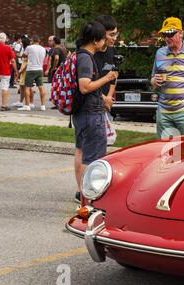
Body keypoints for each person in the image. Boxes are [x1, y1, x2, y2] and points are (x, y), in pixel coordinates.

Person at [72, 21, 119, 203]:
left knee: (87, 154)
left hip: (84, 113)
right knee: (92, 158)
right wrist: (106, 78)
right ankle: (88, 199)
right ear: (95, 40)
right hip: (90, 113)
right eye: (103, 38)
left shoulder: (80, 55)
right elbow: (85, 87)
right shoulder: (86, 58)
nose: (105, 43)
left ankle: (87, 196)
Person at [94, 15, 119, 113]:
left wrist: (109, 97)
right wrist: (103, 98)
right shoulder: (90, 53)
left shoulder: (113, 50)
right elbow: (87, 83)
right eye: (112, 34)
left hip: (107, 103)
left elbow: (115, 75)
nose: (115, 38)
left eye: (116, 34)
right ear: (101, 34)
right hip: (92, 105)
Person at [0, 33, 18, 111]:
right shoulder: (8, 48)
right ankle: (3, 106)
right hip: (5, 71)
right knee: (5, 87)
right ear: (5, 39)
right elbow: (13, 61)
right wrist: (16, 71)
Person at [18, 35, 47, 111]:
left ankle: (27, 105)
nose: (30, 42)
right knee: (41, 87)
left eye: (31, 41)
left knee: (27, 87)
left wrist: (26, 56)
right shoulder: (43, 49)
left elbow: (23, 55)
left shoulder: (29, 48)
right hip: (40, 69)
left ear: (33, 40)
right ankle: (43, 105)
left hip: (31, 69)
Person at [12, 37, 35, 108]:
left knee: (28, 87)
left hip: (26, 71)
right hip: (24, 70)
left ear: (24, 43)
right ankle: (20, 102)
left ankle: (30, 103)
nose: (20, 43)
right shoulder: (25, 49)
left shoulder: (29, 50)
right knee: (21, 86)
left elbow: (27, 62)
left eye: (21, 42)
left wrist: (20, 71)